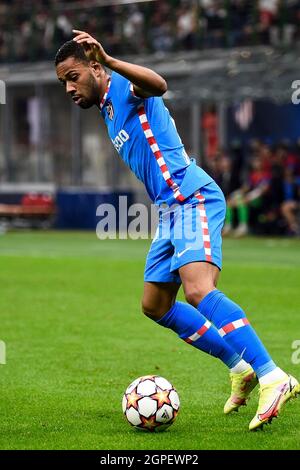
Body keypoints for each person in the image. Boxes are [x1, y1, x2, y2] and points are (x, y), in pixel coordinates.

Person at [55, 30, 300, 431]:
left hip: (192, 197)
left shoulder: (123, 86)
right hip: (169, 212)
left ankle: (273, 376)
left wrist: (111, 59)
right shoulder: (106, 107)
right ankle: (240, 367)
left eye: (73, 76)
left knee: (199, 289)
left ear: (95, 67)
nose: (68, 87)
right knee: (156, 305)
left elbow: (159, 85)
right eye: (63, 81)